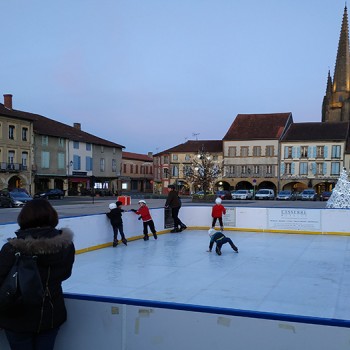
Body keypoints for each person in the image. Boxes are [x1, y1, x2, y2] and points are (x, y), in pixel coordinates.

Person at [0, 199, 75, 350]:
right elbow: (65, 274)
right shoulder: (66, 246)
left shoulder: (11, 248)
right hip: (51, 313)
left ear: (23, 219)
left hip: (17, 317)